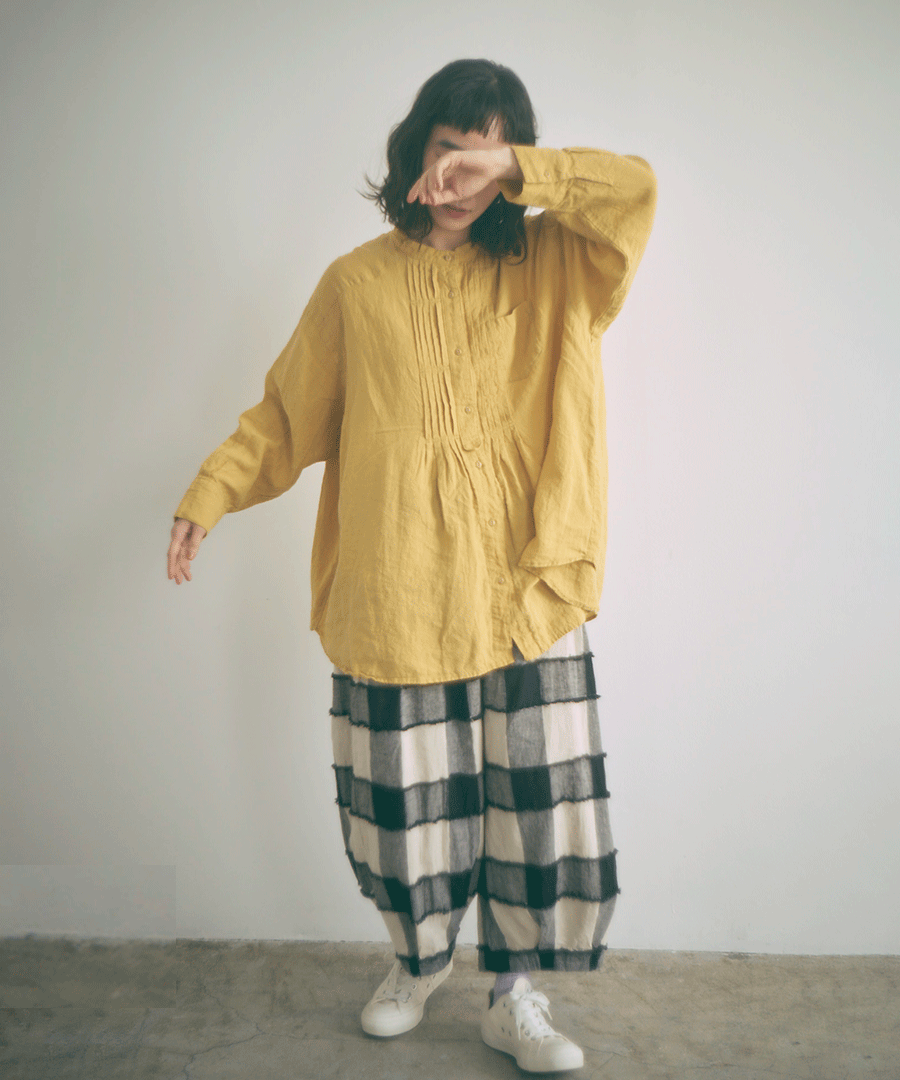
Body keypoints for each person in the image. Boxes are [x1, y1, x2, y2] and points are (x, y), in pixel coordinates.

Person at [168, 58, 655, 1074]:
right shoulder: (356, 284)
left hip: (527, 584)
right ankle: (418, 960)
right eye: (449, 149)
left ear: (512, 167)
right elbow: (286, 417)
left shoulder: (560, 265)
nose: (463, 175)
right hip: (401, 584)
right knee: (403, 808)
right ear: (415, 154)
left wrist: (519, 170)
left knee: (535, 808)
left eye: (487, 158)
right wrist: (209, 492)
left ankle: (514, 997)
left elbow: (634, 189)